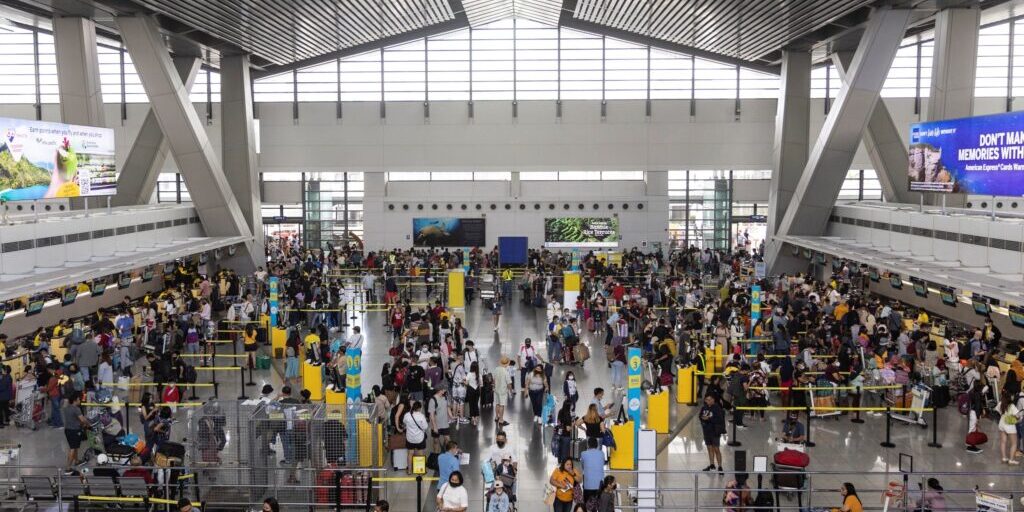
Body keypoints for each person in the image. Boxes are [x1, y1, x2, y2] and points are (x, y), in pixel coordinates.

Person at [699, 393, 725, 474]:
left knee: (716, 449)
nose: (708, 401)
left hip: (715, 432)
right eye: (707, 400)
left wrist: (708, 419)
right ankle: (712, 465)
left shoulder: (717, 408)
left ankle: (720, 467)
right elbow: (700, 416)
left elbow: (720, 420)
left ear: (713, 400)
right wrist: (702, 418)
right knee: (709, 448)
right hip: (707, 431)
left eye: (710, 399)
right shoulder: (704, 407)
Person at [62, 393, 89, 472]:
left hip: (67, 430)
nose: (80, 400)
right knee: (73, 448)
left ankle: (77, 461)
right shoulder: (76, 409)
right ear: (75, 400)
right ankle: (68, 468)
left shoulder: (66, 408)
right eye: (78, 399)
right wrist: (88, 424)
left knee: (75, 446)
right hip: (74, 431)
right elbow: (82, 420)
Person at [402, 401, 429, 474]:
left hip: (410, 438)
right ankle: (421, 470)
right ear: (420, 408)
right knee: (420, 453)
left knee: (410, 453)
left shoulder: (407, 415)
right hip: (419, 438)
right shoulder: (421, 416)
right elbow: (425, 427)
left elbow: (404, 422)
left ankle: (409, 471)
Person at [998, 389, 1021, 464]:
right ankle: (1011, 460)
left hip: (1001, 424)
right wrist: (1018, 418)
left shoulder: (1000, 403)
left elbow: (998, 411)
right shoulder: (1012, 406)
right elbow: (1018, 416)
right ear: (1010, 397)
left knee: (1003, 442)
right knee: (1014, 443)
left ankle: (1004, 458)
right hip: (1010, 426)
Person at [580, 437, 605, 503]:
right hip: (599, 485)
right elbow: (602, 464)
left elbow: (582, 466)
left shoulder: (583, 453)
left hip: (588, 484)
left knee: (587, 505)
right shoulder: (601, 453)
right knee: (599, 504)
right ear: (597, 444)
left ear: (588, 445)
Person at [493, 357, 512, 427]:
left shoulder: (496, 369)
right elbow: (509, 383)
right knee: (502, 405)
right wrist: (511, 391)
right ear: (507, 363)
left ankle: (496, 417)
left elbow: (494, 379)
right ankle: (501, 420)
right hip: (503, 391)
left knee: (497, 404)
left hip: (497, 390)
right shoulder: (506, 372)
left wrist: (494, 387)